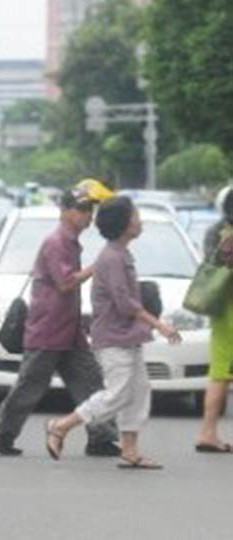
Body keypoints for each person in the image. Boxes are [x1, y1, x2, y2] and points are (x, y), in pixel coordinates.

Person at [0, 184, 121, 457]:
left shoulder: (70, 241)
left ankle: (101, 436)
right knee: (29, 387)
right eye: (80, 209)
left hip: (68, 329)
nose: (87, 215)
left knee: (91, 382)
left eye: (89, 209)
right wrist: (97, 267)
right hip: (49, 328)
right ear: (64, 211)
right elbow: (66, 283)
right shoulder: (57, 242)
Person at [45, 196, 181, 469]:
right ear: (123, 224)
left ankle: (129, 451)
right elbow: (125, 304)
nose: (139, 221)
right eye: (135, 216)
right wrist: (159, 325)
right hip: (114, 339)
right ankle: (61, 426)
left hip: (128, 337)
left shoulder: (120, 254)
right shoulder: (112, 258)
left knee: (138, 392)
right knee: (116, 394)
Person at [195, 186, 233, 452]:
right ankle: (207, 433)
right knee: (221, 374)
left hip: (220, 310)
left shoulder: (215, 233)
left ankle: (207, 432)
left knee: (219, 373)